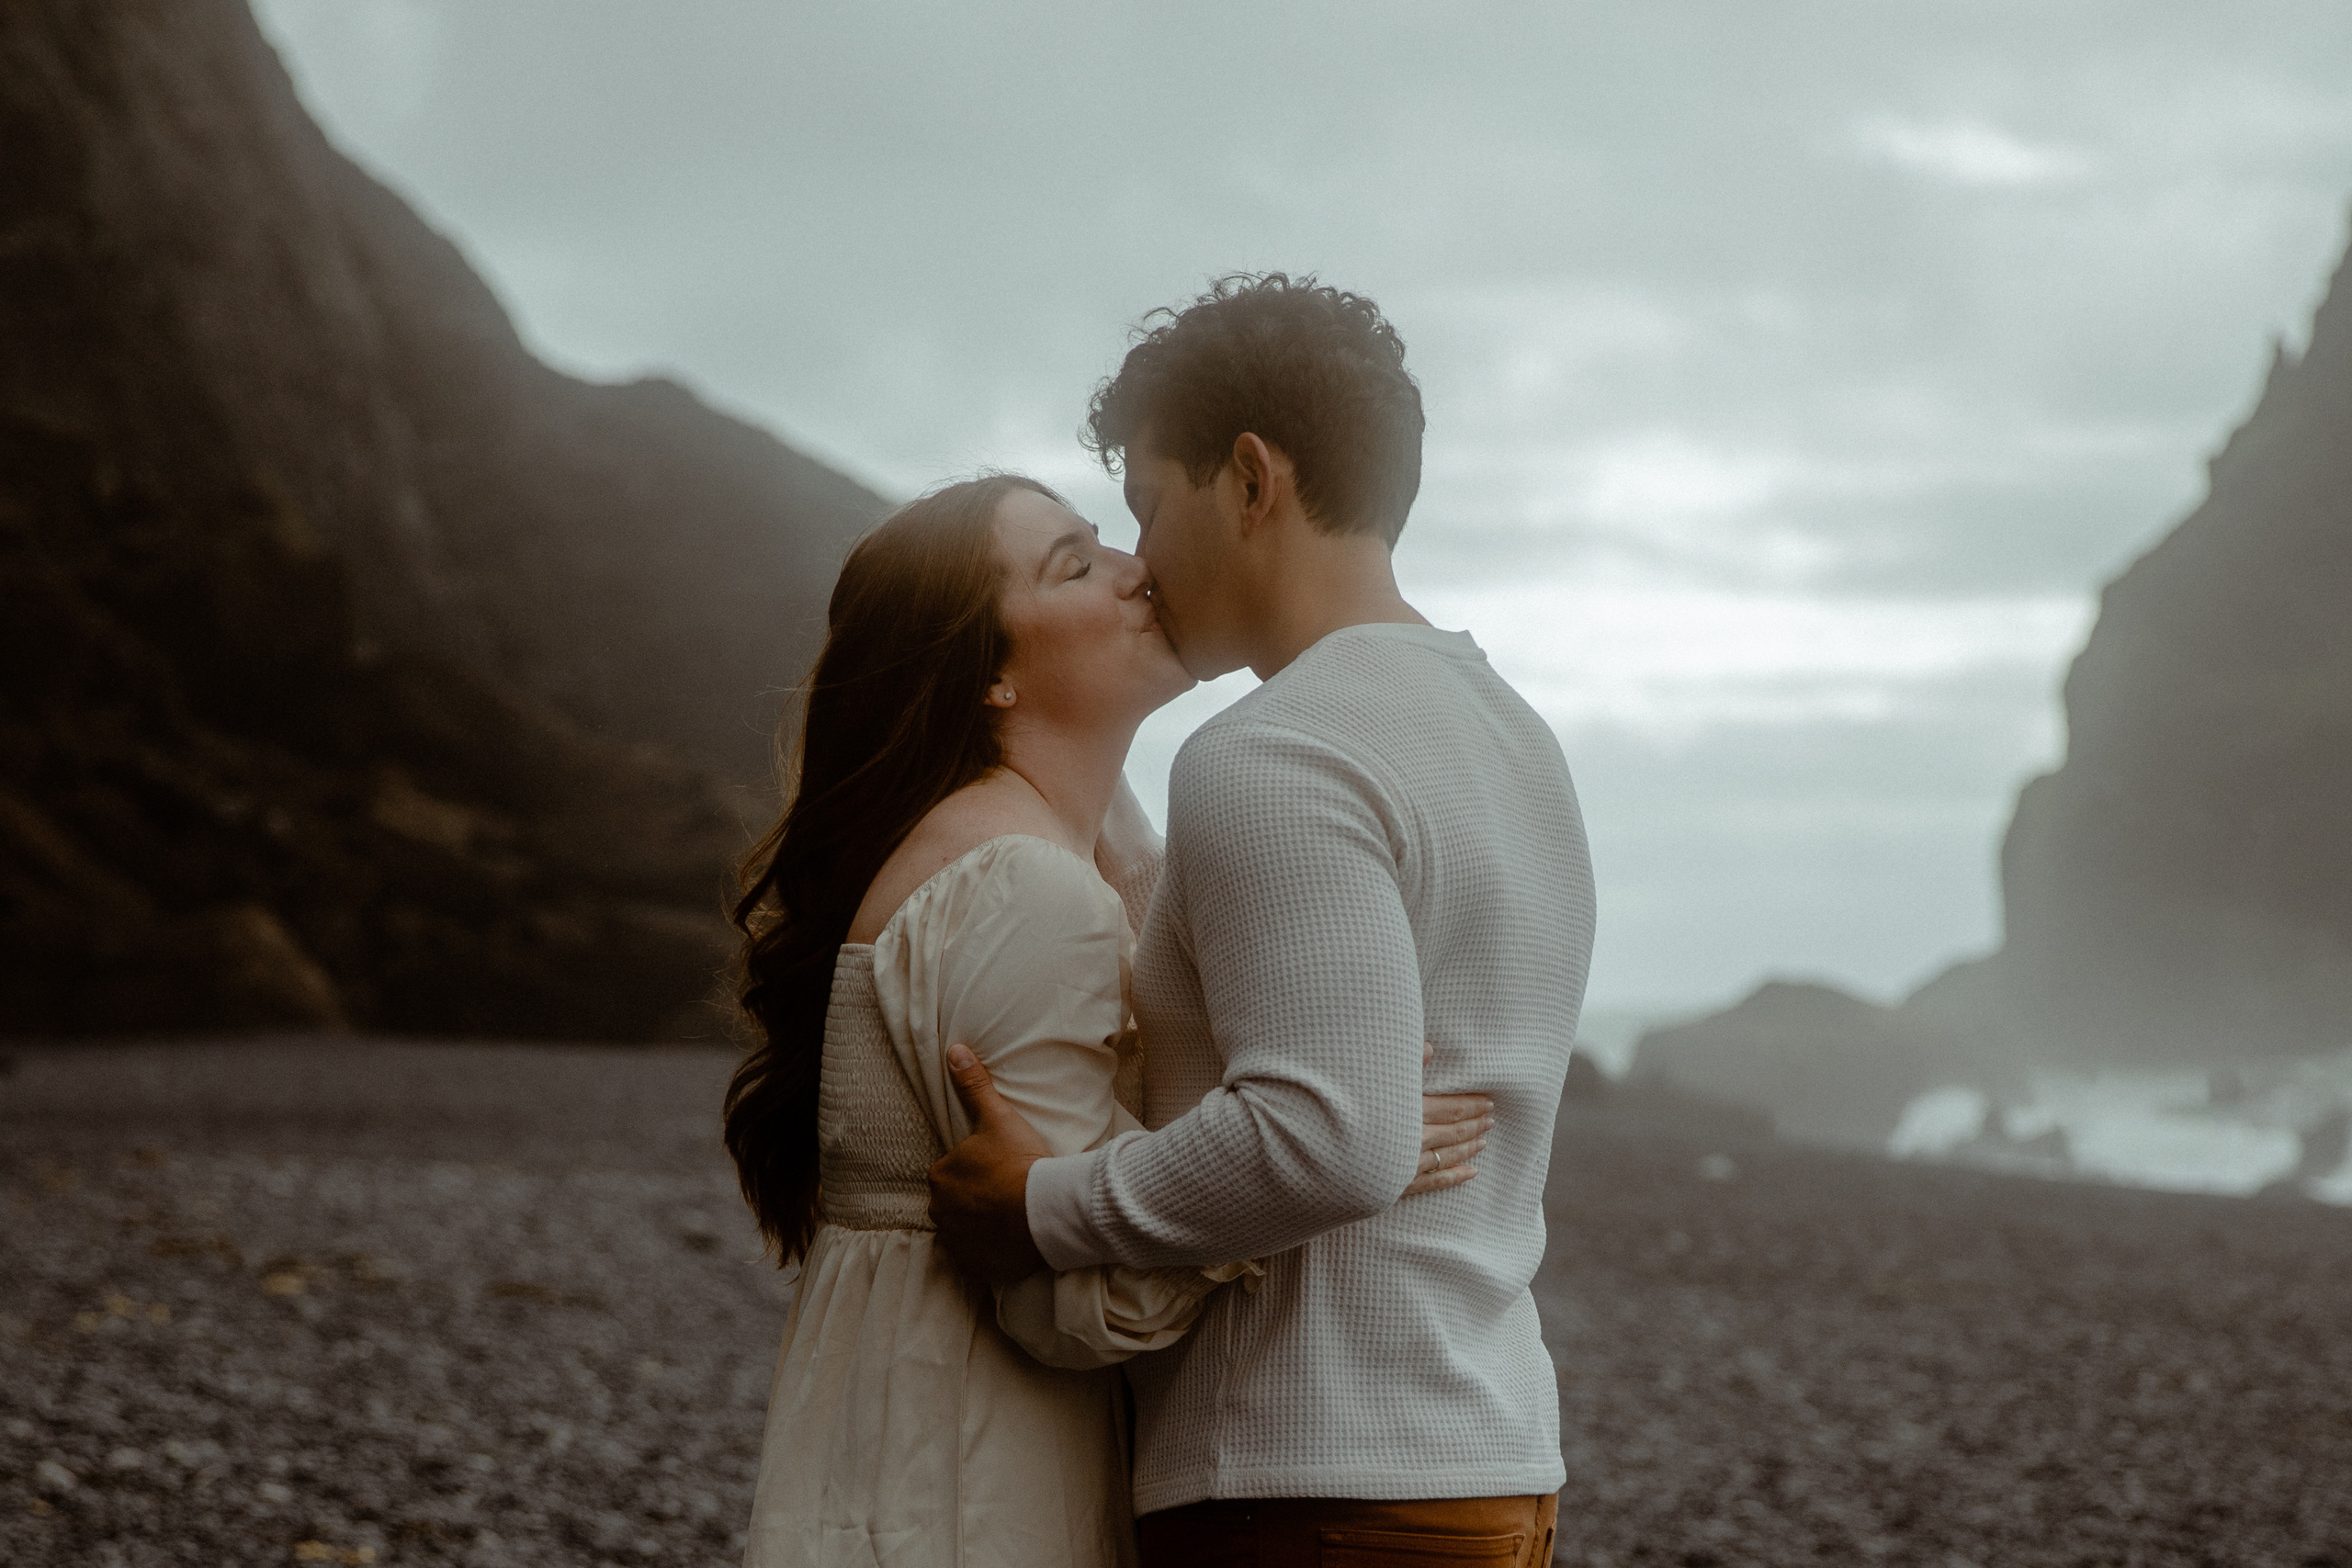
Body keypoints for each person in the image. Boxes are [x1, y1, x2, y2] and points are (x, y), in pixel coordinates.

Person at [929, 275, 1597, 1568]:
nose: (1137, 566)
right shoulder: (1515, 735)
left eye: (1148, 508)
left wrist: (1042, 1205)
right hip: (1486, 1457)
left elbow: (1329, 1134)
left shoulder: (1272, 753)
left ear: (1250, 477)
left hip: (1310, 1481)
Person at [725, 473, 1496, 1568]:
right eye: (1075, 563)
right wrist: (1329, 1159)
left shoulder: (1034, 851)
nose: (1139, 570)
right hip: (973, 1464)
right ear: (989, 674)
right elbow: (1069, 1308)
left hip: (926, 1421)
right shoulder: (1019, 886)